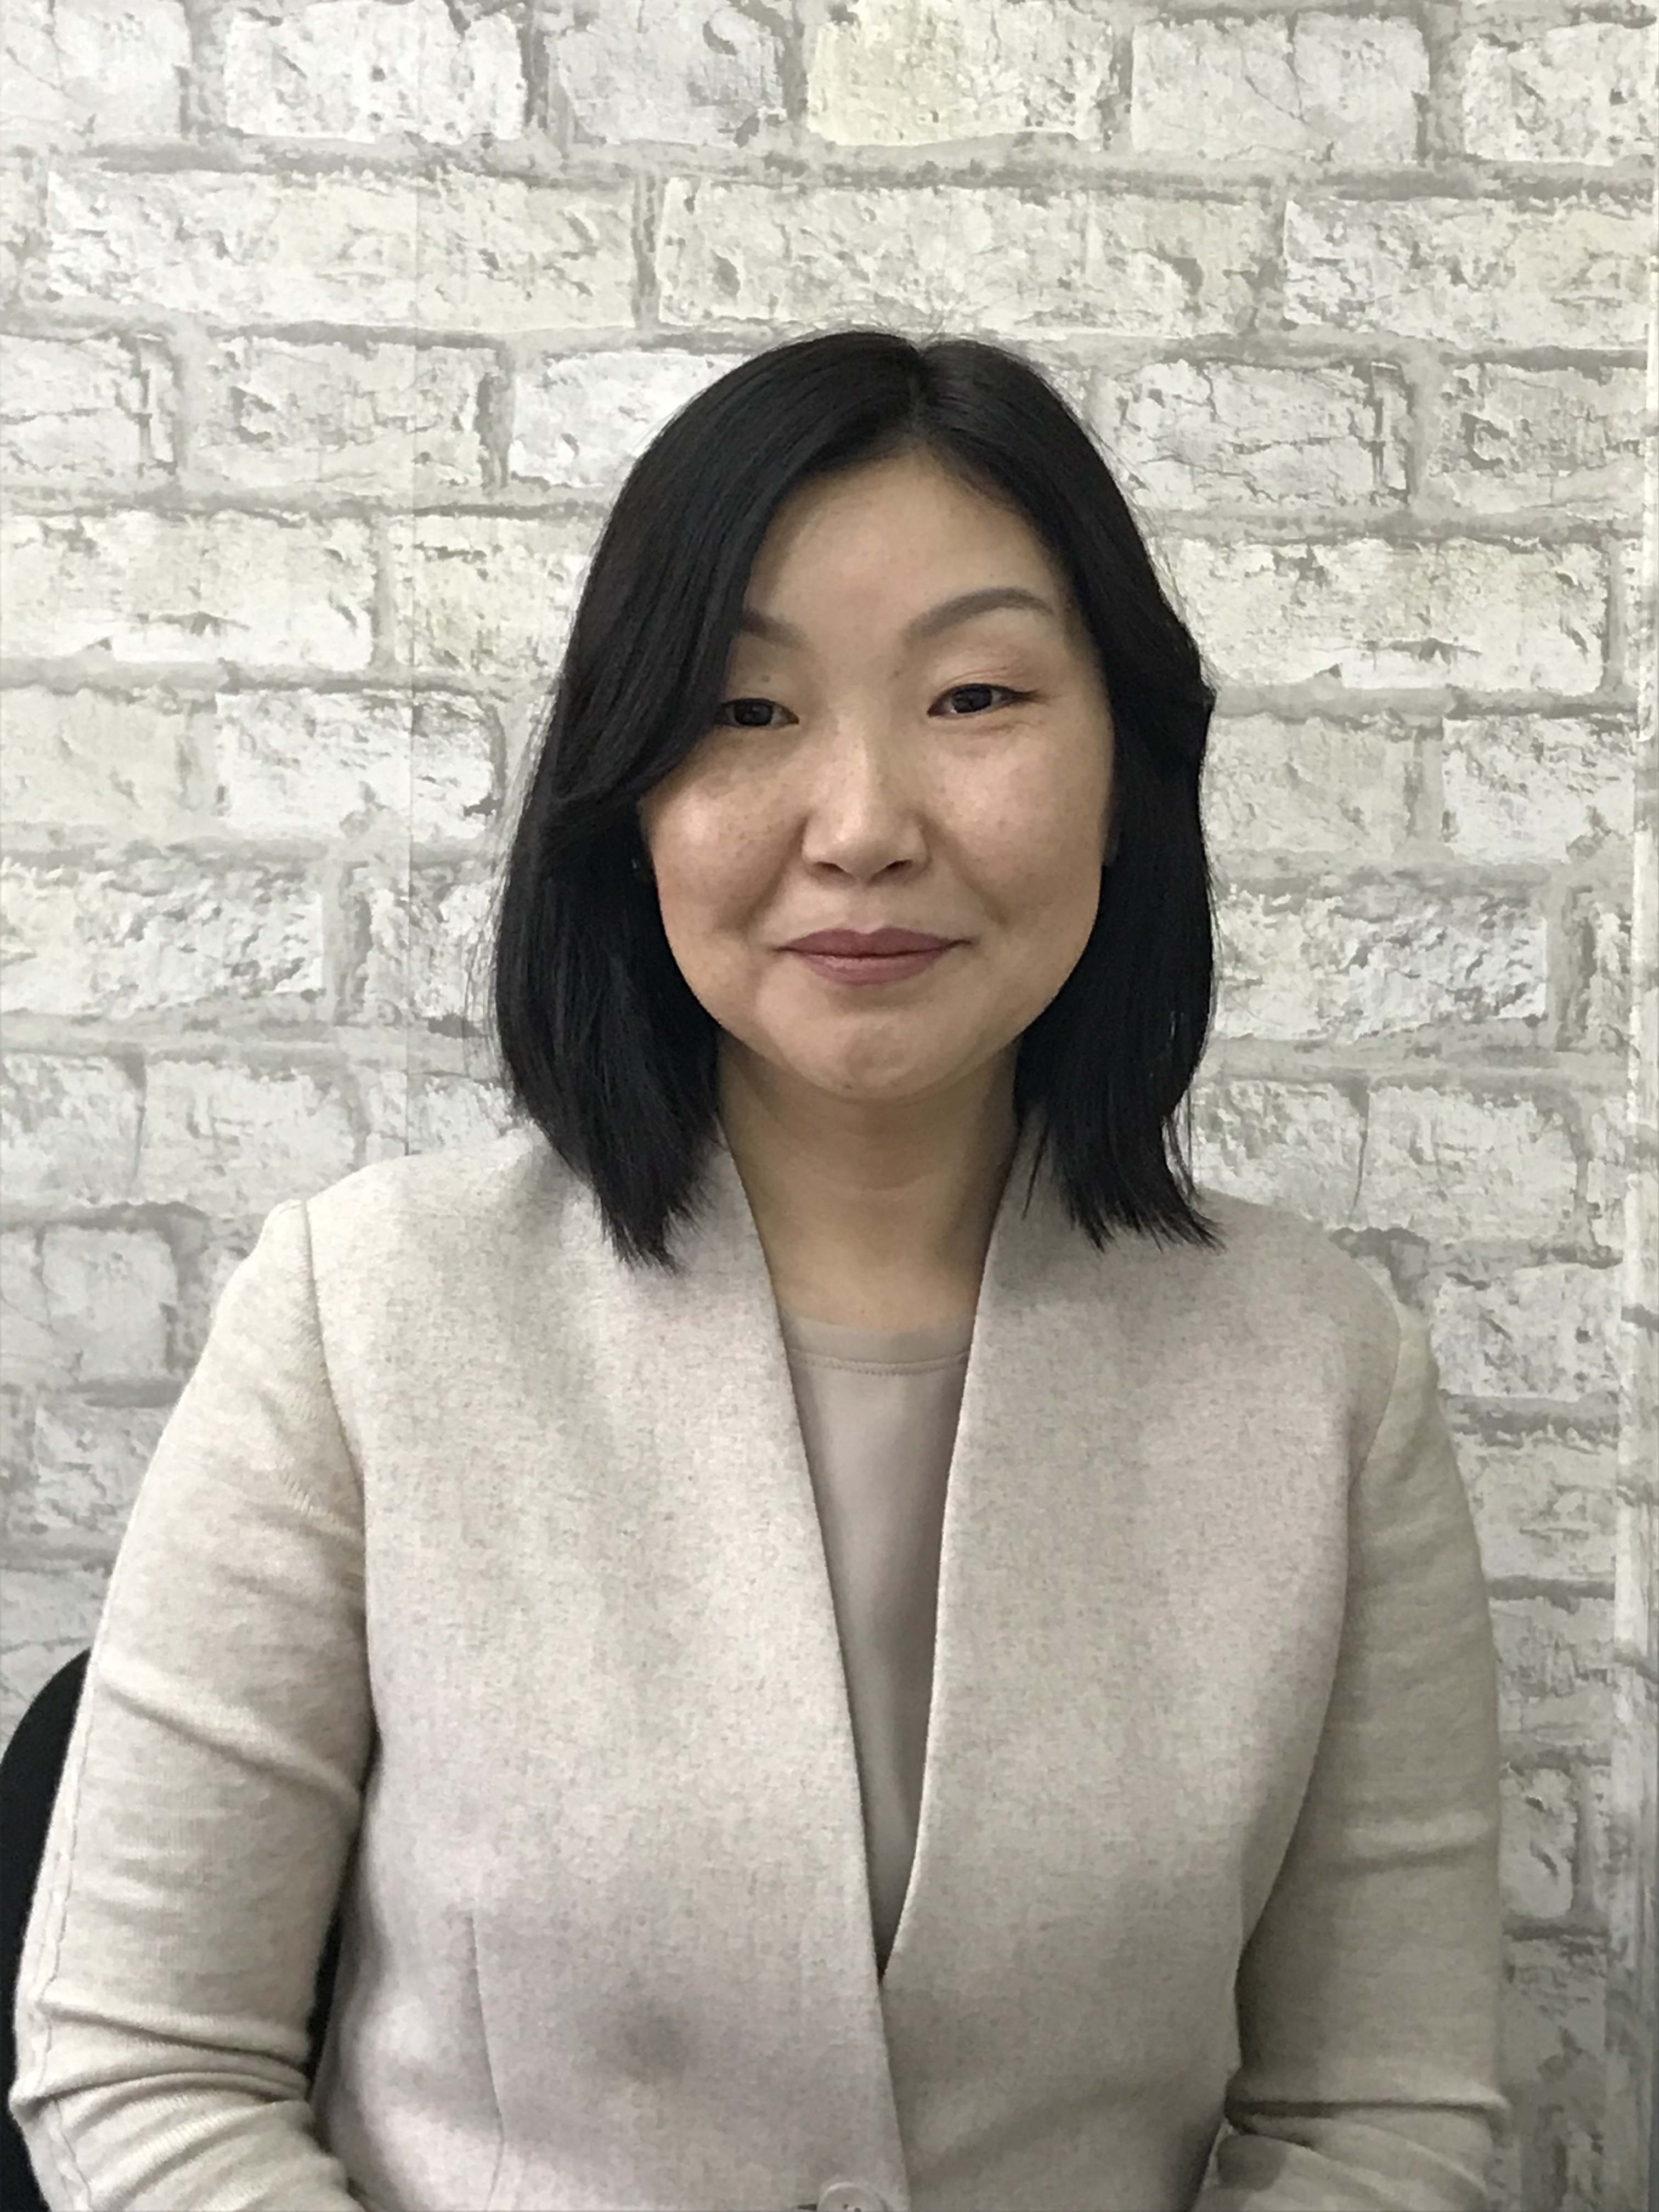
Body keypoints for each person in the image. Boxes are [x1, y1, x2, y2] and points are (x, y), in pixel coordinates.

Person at [10, 326, 1507, 2212]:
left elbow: (1382, 2117)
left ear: (1127, 767)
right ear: (628, 790)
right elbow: (144, 2062)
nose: (864, 826)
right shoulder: (365, 1316)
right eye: (745, 710)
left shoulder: (1322, 1375)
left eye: (975, 697)